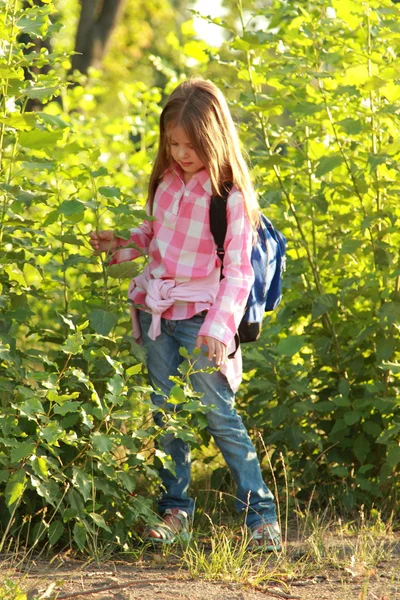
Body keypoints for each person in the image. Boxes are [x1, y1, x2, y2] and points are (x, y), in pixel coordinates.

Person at [89, 78, 281, 551]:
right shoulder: (167, 182)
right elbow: (156, 237)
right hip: (160, 315)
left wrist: (219, 327)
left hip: (202, 321)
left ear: (214, 137)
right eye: (172, 142)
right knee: (165, 414)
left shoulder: (230, 198)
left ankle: (261, 515)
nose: (180, 152)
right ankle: (175, 511)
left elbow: (237, 274)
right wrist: (122, 242)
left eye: (190, 145)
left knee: (219, 416)